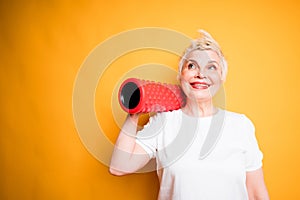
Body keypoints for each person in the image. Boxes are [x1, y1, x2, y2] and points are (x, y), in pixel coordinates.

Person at [109, 30, 269, 200]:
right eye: (192, 66)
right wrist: (134, 113)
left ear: (221, 77)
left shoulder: (241, 125)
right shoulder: (164, 122)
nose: (201, 74)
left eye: (211, 67)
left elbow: (256, 192)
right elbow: (119, 167)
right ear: (181, 75)